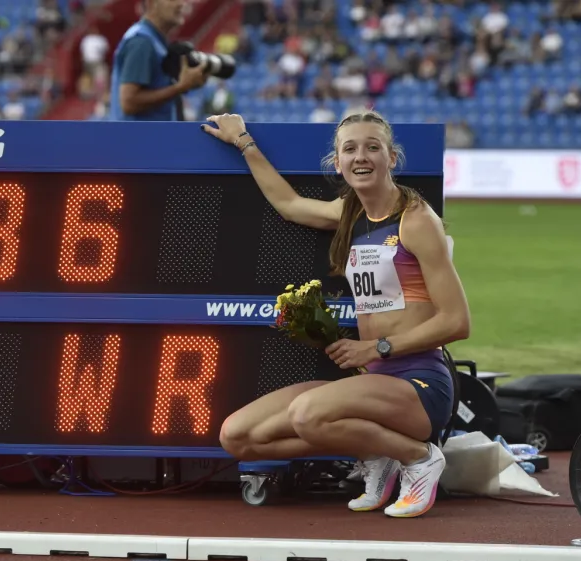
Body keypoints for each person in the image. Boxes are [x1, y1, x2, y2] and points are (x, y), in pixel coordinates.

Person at [201, 110, 470, 519]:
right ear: (338, 163)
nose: (361, 156)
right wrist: (244, 143)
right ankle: (376, 453)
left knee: (307, 414)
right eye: (350, 149)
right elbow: (290, 205)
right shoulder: (350, 213)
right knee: (238, 437)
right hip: (373, 384)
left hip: (419, 386)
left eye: (372, 147)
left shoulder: (417, 220)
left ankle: (418, 457)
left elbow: (457, 322)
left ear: (391, 158)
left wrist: (375, 347)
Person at [108, 0, 208, 121]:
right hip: (138, 138)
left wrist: (189, 83)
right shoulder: (142, 42)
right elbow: (128, 103)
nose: (181, 4)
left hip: (151, 136)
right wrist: (180, 87)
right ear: (151, 3)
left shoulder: (156, 40)